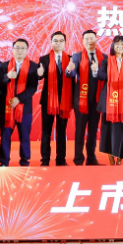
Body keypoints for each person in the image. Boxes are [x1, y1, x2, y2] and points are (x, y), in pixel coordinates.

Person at [98, 35, 123, 164]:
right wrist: (96, 71)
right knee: (109, 132)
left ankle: (120, 157)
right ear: (113, 46)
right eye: (117, 44)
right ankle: (111, 157)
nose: (120, 46)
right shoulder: (106, 61)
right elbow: (101, 76)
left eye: (122, 44)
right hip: (109, 103)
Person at [0, 38, 39, 167]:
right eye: (17, 48)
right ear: (12, 50)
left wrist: (19, 98)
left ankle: (24, 160)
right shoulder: (4, 66)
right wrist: (6, 77)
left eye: (23, 48)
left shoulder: (33, 67)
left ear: (27, 50)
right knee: (5, 135)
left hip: (24, 107)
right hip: (7, 107)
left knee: (24, 136)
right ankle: (4, 161)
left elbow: (32, 87)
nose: (20, 51)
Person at [66, 30, 103, 166]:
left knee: (93, 130)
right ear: (83, 41)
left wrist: (96, 71)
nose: (89, 41)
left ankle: (91, 158)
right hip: (81, 98)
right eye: (86, 39)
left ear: (96, 39)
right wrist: (69, 69)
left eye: (92, 38)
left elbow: (105, 76)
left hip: (97, 99)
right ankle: (78, 158)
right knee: (80, 129)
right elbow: (70, 74)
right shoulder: (77, 56)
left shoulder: (103, 57)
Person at [37, 31, 73, 166]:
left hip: (65, 100)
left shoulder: (71, 59)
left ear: (65, 43)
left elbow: (73, 76)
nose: (58, 43)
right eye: (55, 41)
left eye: (61, 41)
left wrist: (71, 70)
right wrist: (39, 74)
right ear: (51, 42)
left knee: (61, 131)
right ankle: (45, 160)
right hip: (48, 101)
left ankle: (61, 159)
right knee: (46, 131)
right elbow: (40, 75)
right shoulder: (44, 59)